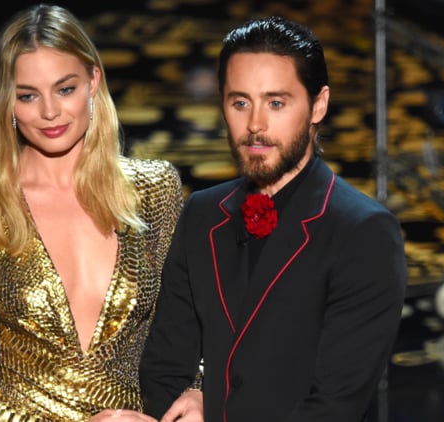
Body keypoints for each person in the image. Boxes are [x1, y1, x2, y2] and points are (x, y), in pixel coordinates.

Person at [0, 4, 181, 422]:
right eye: (27, 95)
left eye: (65, 88)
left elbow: (192, 329)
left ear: (93, 80)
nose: (50, 112)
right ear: (7, 100)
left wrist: (194, 399)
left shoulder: (154, 189)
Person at [140, 16, 407, 422]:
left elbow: (335, 407)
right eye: (240, 102)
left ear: (318, 105)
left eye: (276, 103)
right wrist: (192, 396)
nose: (255, 125)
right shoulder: (202, 212)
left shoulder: (362, 232)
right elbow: (163, 367)